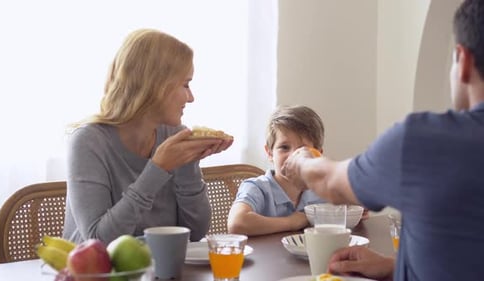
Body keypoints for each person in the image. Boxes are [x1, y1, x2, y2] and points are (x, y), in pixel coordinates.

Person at [281, 0, 484, 280]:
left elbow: (330, 182)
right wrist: (396, 266)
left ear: (463, 61)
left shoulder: (422, 142)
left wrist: (302, 161)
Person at [62, 29, 233, 245]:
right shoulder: (88, 142)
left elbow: (194, 233)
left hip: (157, 270)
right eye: (185, 85)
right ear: (155, 86)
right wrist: (158, 169)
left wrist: (189, 163)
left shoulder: (175, 135)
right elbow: (98, 241)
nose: (191, 98)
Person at [227, 105, 327, 236]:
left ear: (317, 155)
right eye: (284, 147)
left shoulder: (321, 190)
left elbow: (343, 214)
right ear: (269, 153)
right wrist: (291, 222)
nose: (293, 156)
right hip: (265, 256)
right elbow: (237, 224)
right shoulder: (257, 188)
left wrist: (358, 212)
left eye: (302, 150)